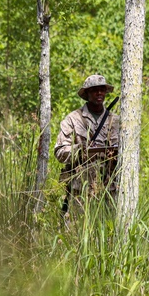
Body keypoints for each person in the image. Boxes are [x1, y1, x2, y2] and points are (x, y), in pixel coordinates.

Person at [54, 74, 119, 215]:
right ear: (87, 93)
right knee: (76, 232)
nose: (99, 93)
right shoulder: (73, 119)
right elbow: (59, 152)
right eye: (95, 90)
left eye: (102, 89)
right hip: (80, 190)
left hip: (110, 191)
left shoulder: (115, 121)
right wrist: (80, 150)